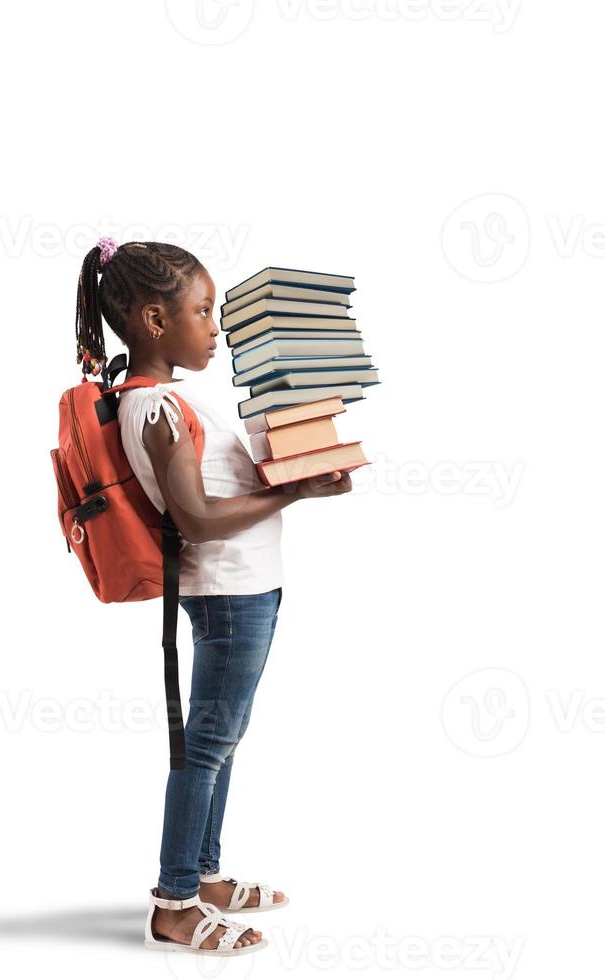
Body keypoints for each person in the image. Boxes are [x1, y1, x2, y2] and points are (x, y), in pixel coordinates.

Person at [74, 237, 353, 955]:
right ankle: (174, 903)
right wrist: (293, 490)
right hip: (230, 594)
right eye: (202, 310)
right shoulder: (157, 408)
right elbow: (195, 518)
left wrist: (298, 467)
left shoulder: (166, 400)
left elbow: (218, 491)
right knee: (206, 745)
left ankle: (202, 873)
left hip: (243, 589)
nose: (217, 326)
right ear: (153, 321)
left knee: (219, 740)